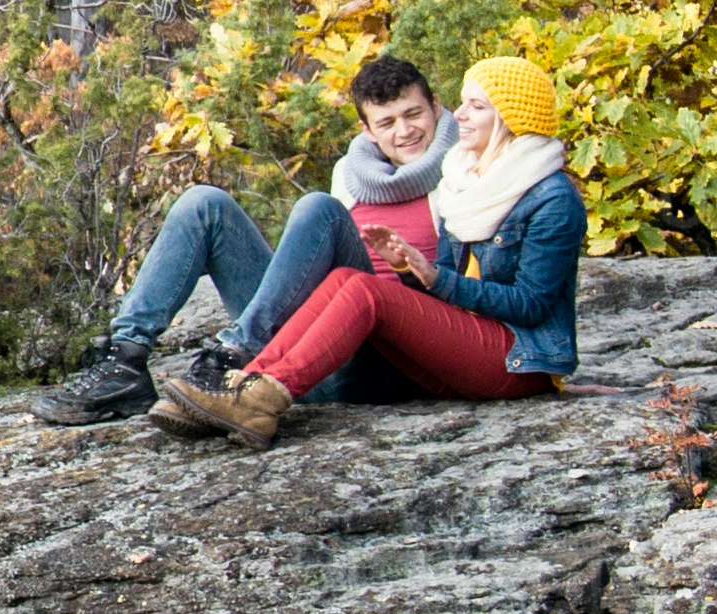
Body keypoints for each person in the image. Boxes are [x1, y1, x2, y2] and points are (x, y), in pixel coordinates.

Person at [164, 54, 583, 442]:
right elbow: (445, 279)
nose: (463, 115)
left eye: (478, 106)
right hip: (467, 339)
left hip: (518, 359)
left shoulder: (552, 198)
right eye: (465, 103)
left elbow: (532, 305)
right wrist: (408, 269)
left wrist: (435, 279)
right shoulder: (468, 178)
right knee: (348, 279)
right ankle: (244, 387)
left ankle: (263, 401)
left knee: (366, 290)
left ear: (510, 118)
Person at [28, 57, 447, 428]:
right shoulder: (352, 176)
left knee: (319, 209)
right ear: (368, 131)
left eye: (414, 115)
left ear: (437, 109)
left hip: (383, 357)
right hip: (307, 350)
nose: (405, 131)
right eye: (387, 122)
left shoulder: (462, 172)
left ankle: (236, 355)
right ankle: (125, 361)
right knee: (202, 203)